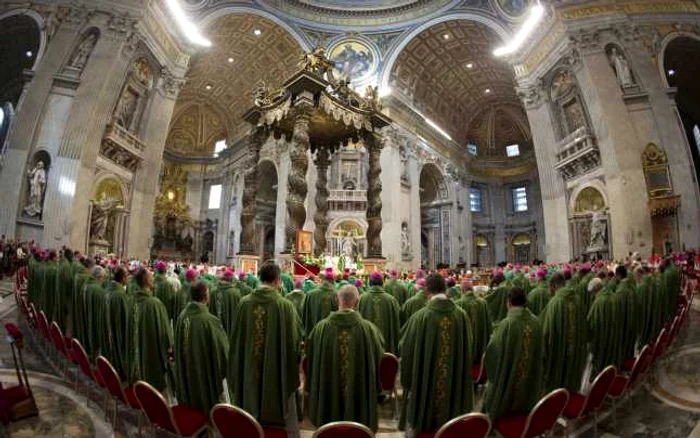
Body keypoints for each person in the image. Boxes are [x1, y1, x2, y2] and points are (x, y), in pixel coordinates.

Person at [227, 264, 302, 436]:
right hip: (274, 370)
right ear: (277, 280)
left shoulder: (244, 303)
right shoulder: (285, 306)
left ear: (260, 278)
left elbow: (236, 339)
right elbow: (295, 340)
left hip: (248, 367)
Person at [399, 273, 473, 436]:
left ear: (427, 291)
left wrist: (408, 380)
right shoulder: (461, 316)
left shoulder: (420, 318)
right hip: (453, 384)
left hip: (426, 385)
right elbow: (468, 349)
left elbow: (406, 350)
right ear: (446, 290)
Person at [306, 285, 384, 432]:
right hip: (358, 392)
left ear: (336, 300)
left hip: (328, 391)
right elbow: (379, 357)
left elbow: (309, 357)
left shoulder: (321, 328)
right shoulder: (368, 329)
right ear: (357, 301)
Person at [482, 288, 543, 422]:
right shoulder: (536, 322)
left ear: (509, 303)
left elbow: (492, 352)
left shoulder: (507, 324)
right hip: (528, 379)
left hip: (508, 377)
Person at [174, 281, 229, 414]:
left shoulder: (182, 316)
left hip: (187, 372)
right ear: (205, 296)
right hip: (204, 374)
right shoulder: (209, 321)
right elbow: (222, 352)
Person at [540, 272, 588, 393]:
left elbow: (548, 332)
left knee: (559, 376)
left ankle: (559, 400)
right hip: (577, 347)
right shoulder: (577, 298)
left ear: (553, 286)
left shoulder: (555, 303)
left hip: (560, 350)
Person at [127, 266, 173, 392]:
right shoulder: (154, 304)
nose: (153, 279)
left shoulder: (130, 300)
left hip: (135, 350)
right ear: (147, 281)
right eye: (151, 277)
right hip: (150, 352)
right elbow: (165, 334)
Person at [358, 271, 400, 354]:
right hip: (386, 343)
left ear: (369, 282)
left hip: (367, 342)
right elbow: (397, 322)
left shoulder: (361, 299)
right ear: (382, 282)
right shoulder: (391, 300)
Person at [587, 277, 621, 374]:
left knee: (601, 360)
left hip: (602, 338)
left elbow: (592, 323)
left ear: (596, 290)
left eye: (593, 292)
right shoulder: (614, 296)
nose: (593, 295)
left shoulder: (598, 302)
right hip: (614, 336)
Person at [455, 280, 492, 365]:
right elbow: (488, 323)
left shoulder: (458, 303)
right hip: (480, 338)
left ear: (462, 291)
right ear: (472, 289)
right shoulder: (483, 302)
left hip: (465, 342)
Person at [104, 266, 131, 378]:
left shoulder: (107, 290)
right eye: (127, 276)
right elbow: (125, 318)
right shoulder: (120, 295)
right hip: (118, 330)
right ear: (123, 278)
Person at [301, 271, 337, 336]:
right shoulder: (337, 295)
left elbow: (304, 317)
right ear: (333, 281)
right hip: (330, 336)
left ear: (322, 280)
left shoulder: (310, 295)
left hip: (312, 335)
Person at [85, 265, 107, 358]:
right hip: (95, 323)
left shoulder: (86, 285)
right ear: (99, 277)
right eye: (103, 278)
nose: (103, 280)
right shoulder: (98, 290)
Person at [213, 268, 242, 337]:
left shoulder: (213, 292)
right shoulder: (235, 293)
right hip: (229, 330)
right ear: (231, 279)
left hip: (215, 328)